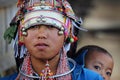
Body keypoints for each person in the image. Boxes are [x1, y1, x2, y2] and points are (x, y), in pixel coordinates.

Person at [2, 0, 103, 80]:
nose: (41, 35)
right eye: (33, 27)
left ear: (67, 33)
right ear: (21, 35)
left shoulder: (91, 78)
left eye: (51, 26)